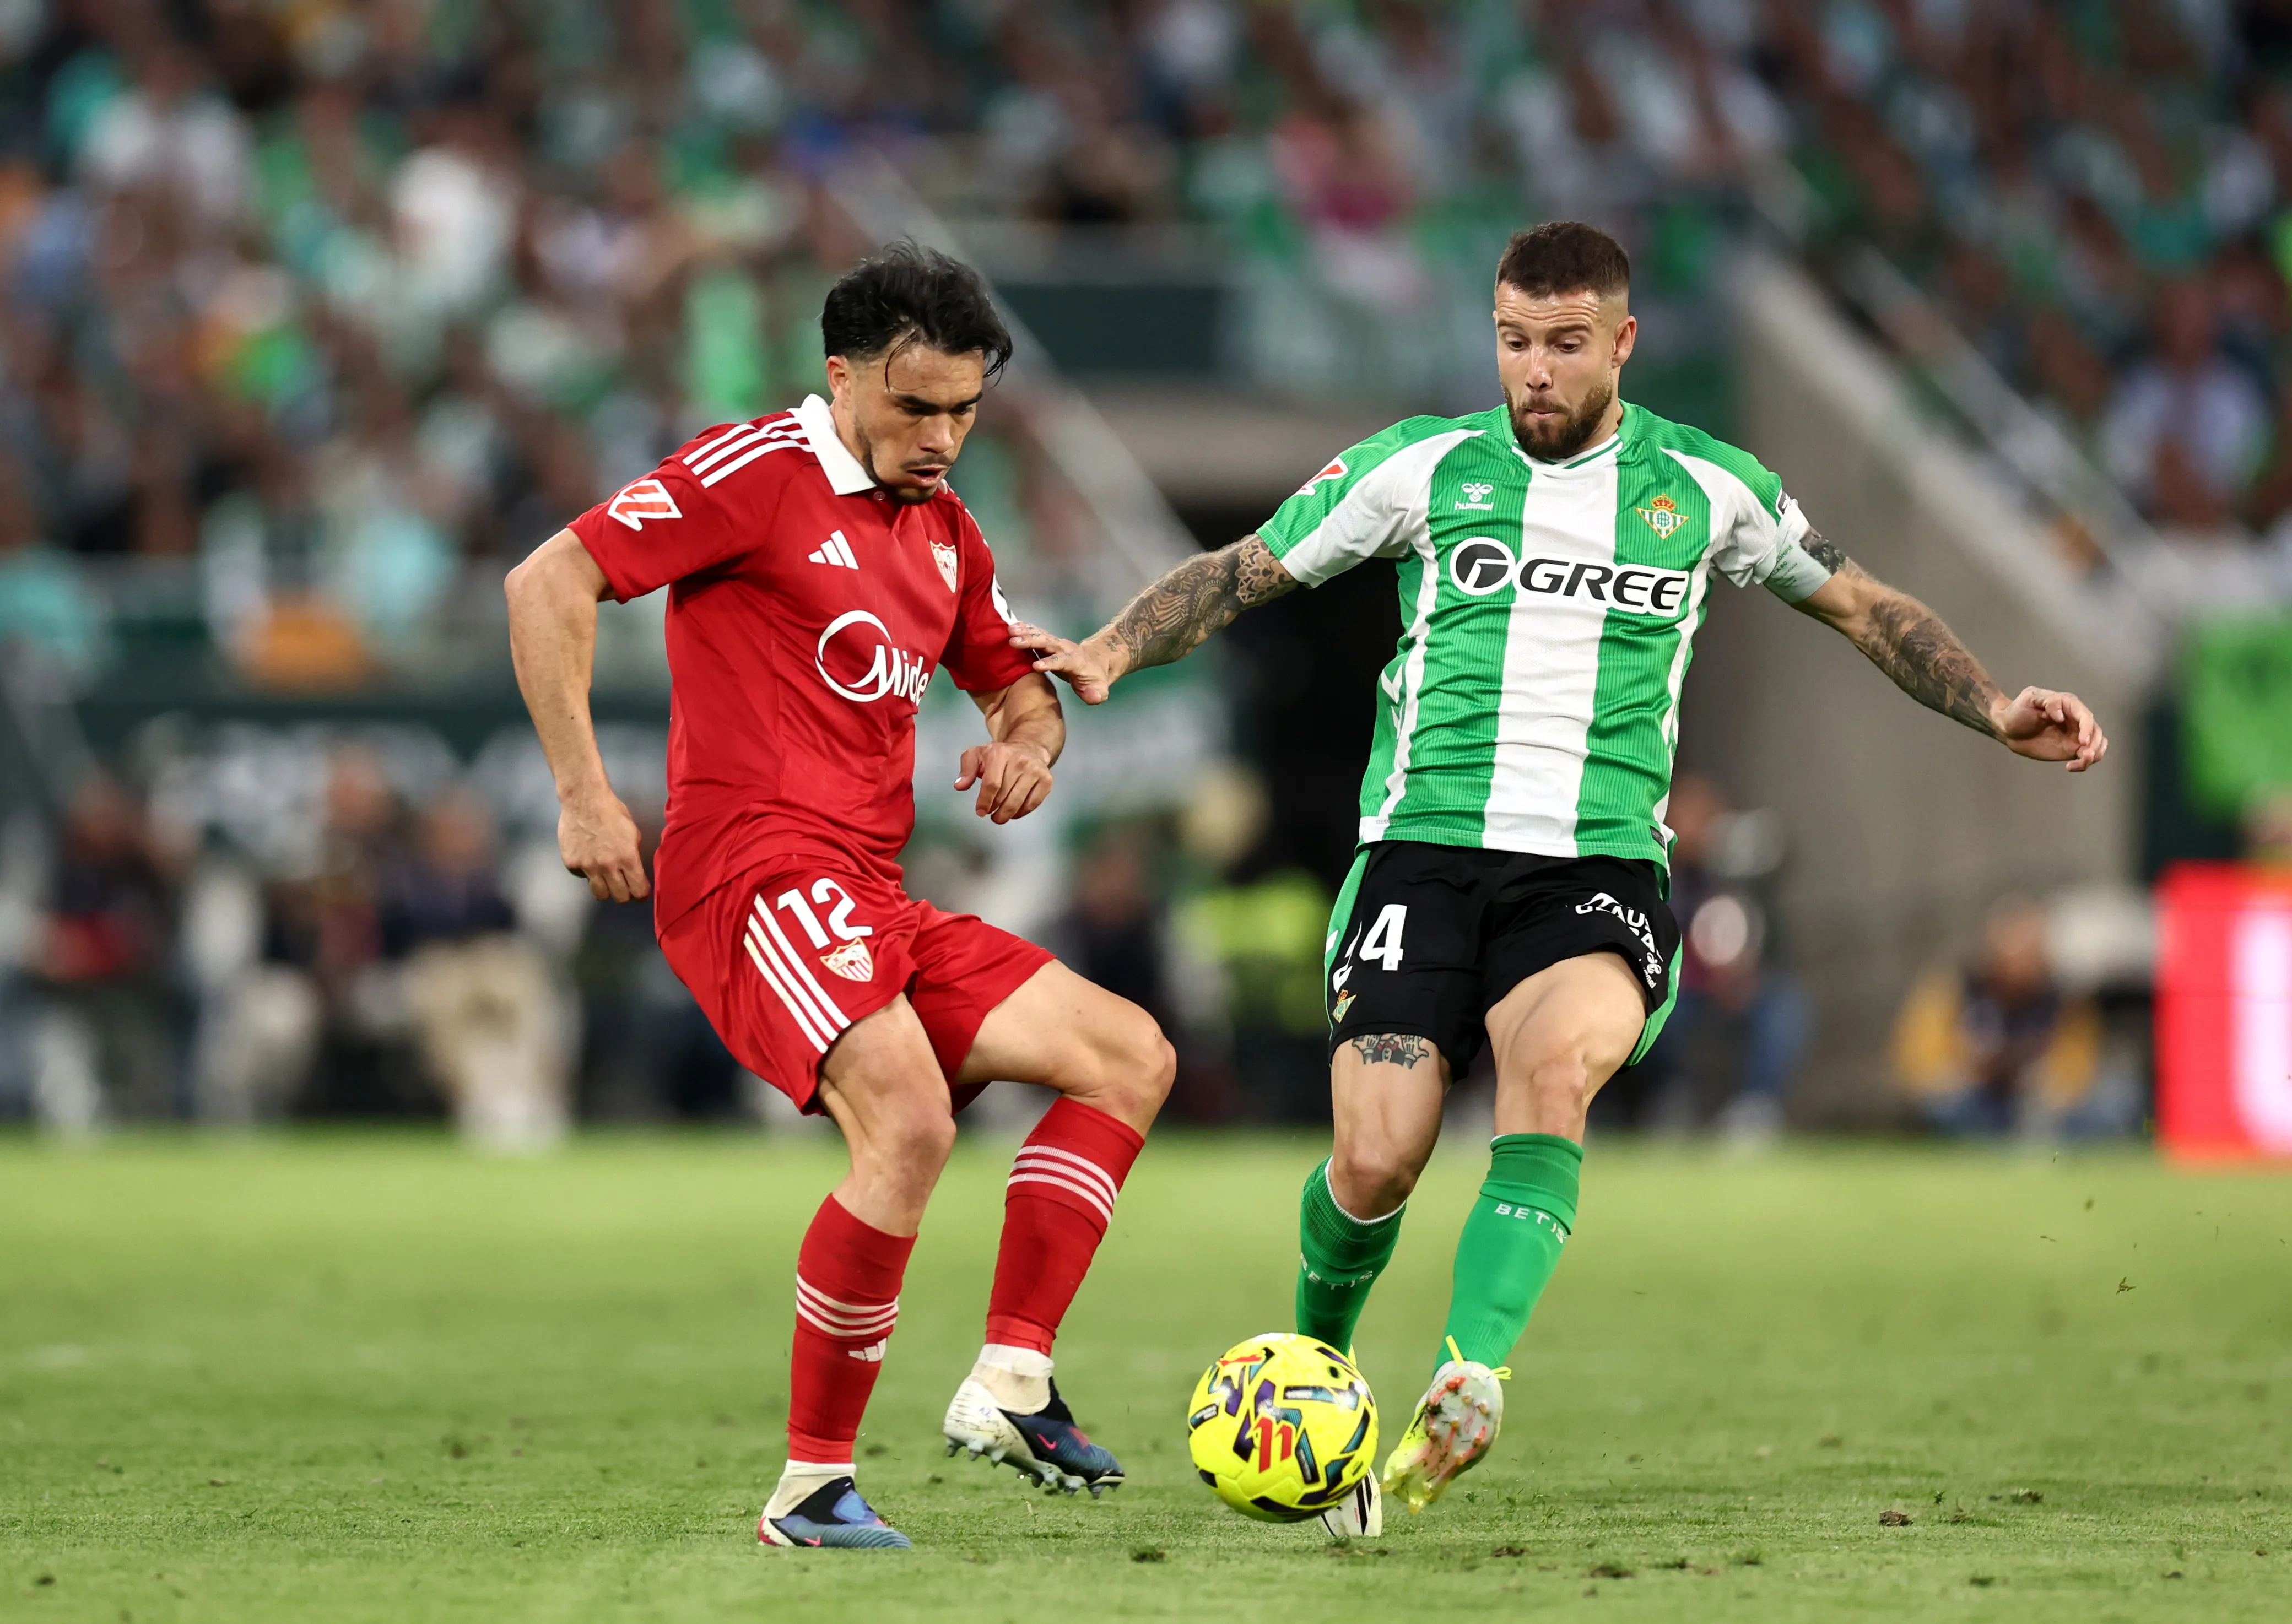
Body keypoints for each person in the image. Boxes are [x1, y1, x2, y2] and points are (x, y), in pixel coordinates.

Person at [1017, 221, 2107, 1533]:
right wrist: (1112, 652)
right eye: (1514, 341)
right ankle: (1319, 1370)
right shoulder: (1420, 467)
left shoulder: (1709, 488)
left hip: (1594, 868)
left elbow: (1866, 605)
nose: (1534, 370)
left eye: (1565, 345)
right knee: (1374, 1163)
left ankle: (1468, 1378)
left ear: (1622, 344)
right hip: (1419, 853)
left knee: (1553, 1070)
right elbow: (1242, 570)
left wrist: (1993, 705)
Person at [504, 242, 1174, 1552]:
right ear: (841, 374)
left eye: (966, 411)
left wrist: (1026, 747)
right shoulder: (753, 472)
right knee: (911, 1125)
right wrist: (584, 794)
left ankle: (1011, 1379)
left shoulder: (945, 534)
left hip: (872, 887)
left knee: (1127, 1054)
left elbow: (1016, 683)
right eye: (916, 407)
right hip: (749, 867)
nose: (943, 438)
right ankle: (812, 1484)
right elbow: (549, 580)